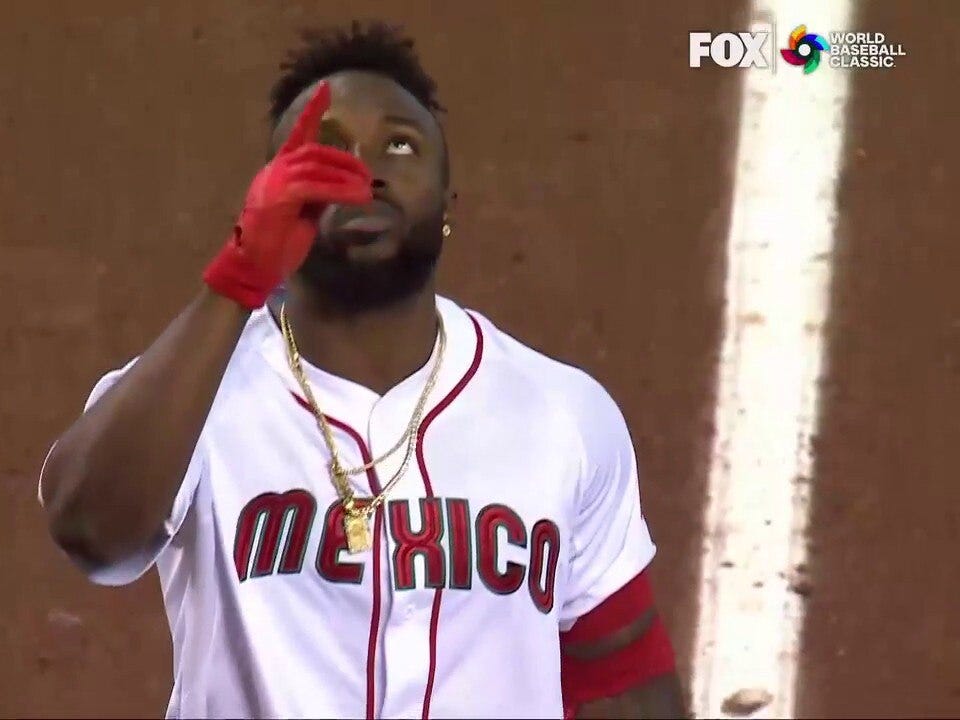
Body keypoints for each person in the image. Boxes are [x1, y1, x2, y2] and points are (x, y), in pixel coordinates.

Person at [37, 20, 685, 720]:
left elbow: (621, 673)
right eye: (324, 151)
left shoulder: (562, 414)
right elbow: (92, 537)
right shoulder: (186, 393)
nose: (363, 171)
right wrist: (241, 275)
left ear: (447, 206)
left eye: (399, 145)